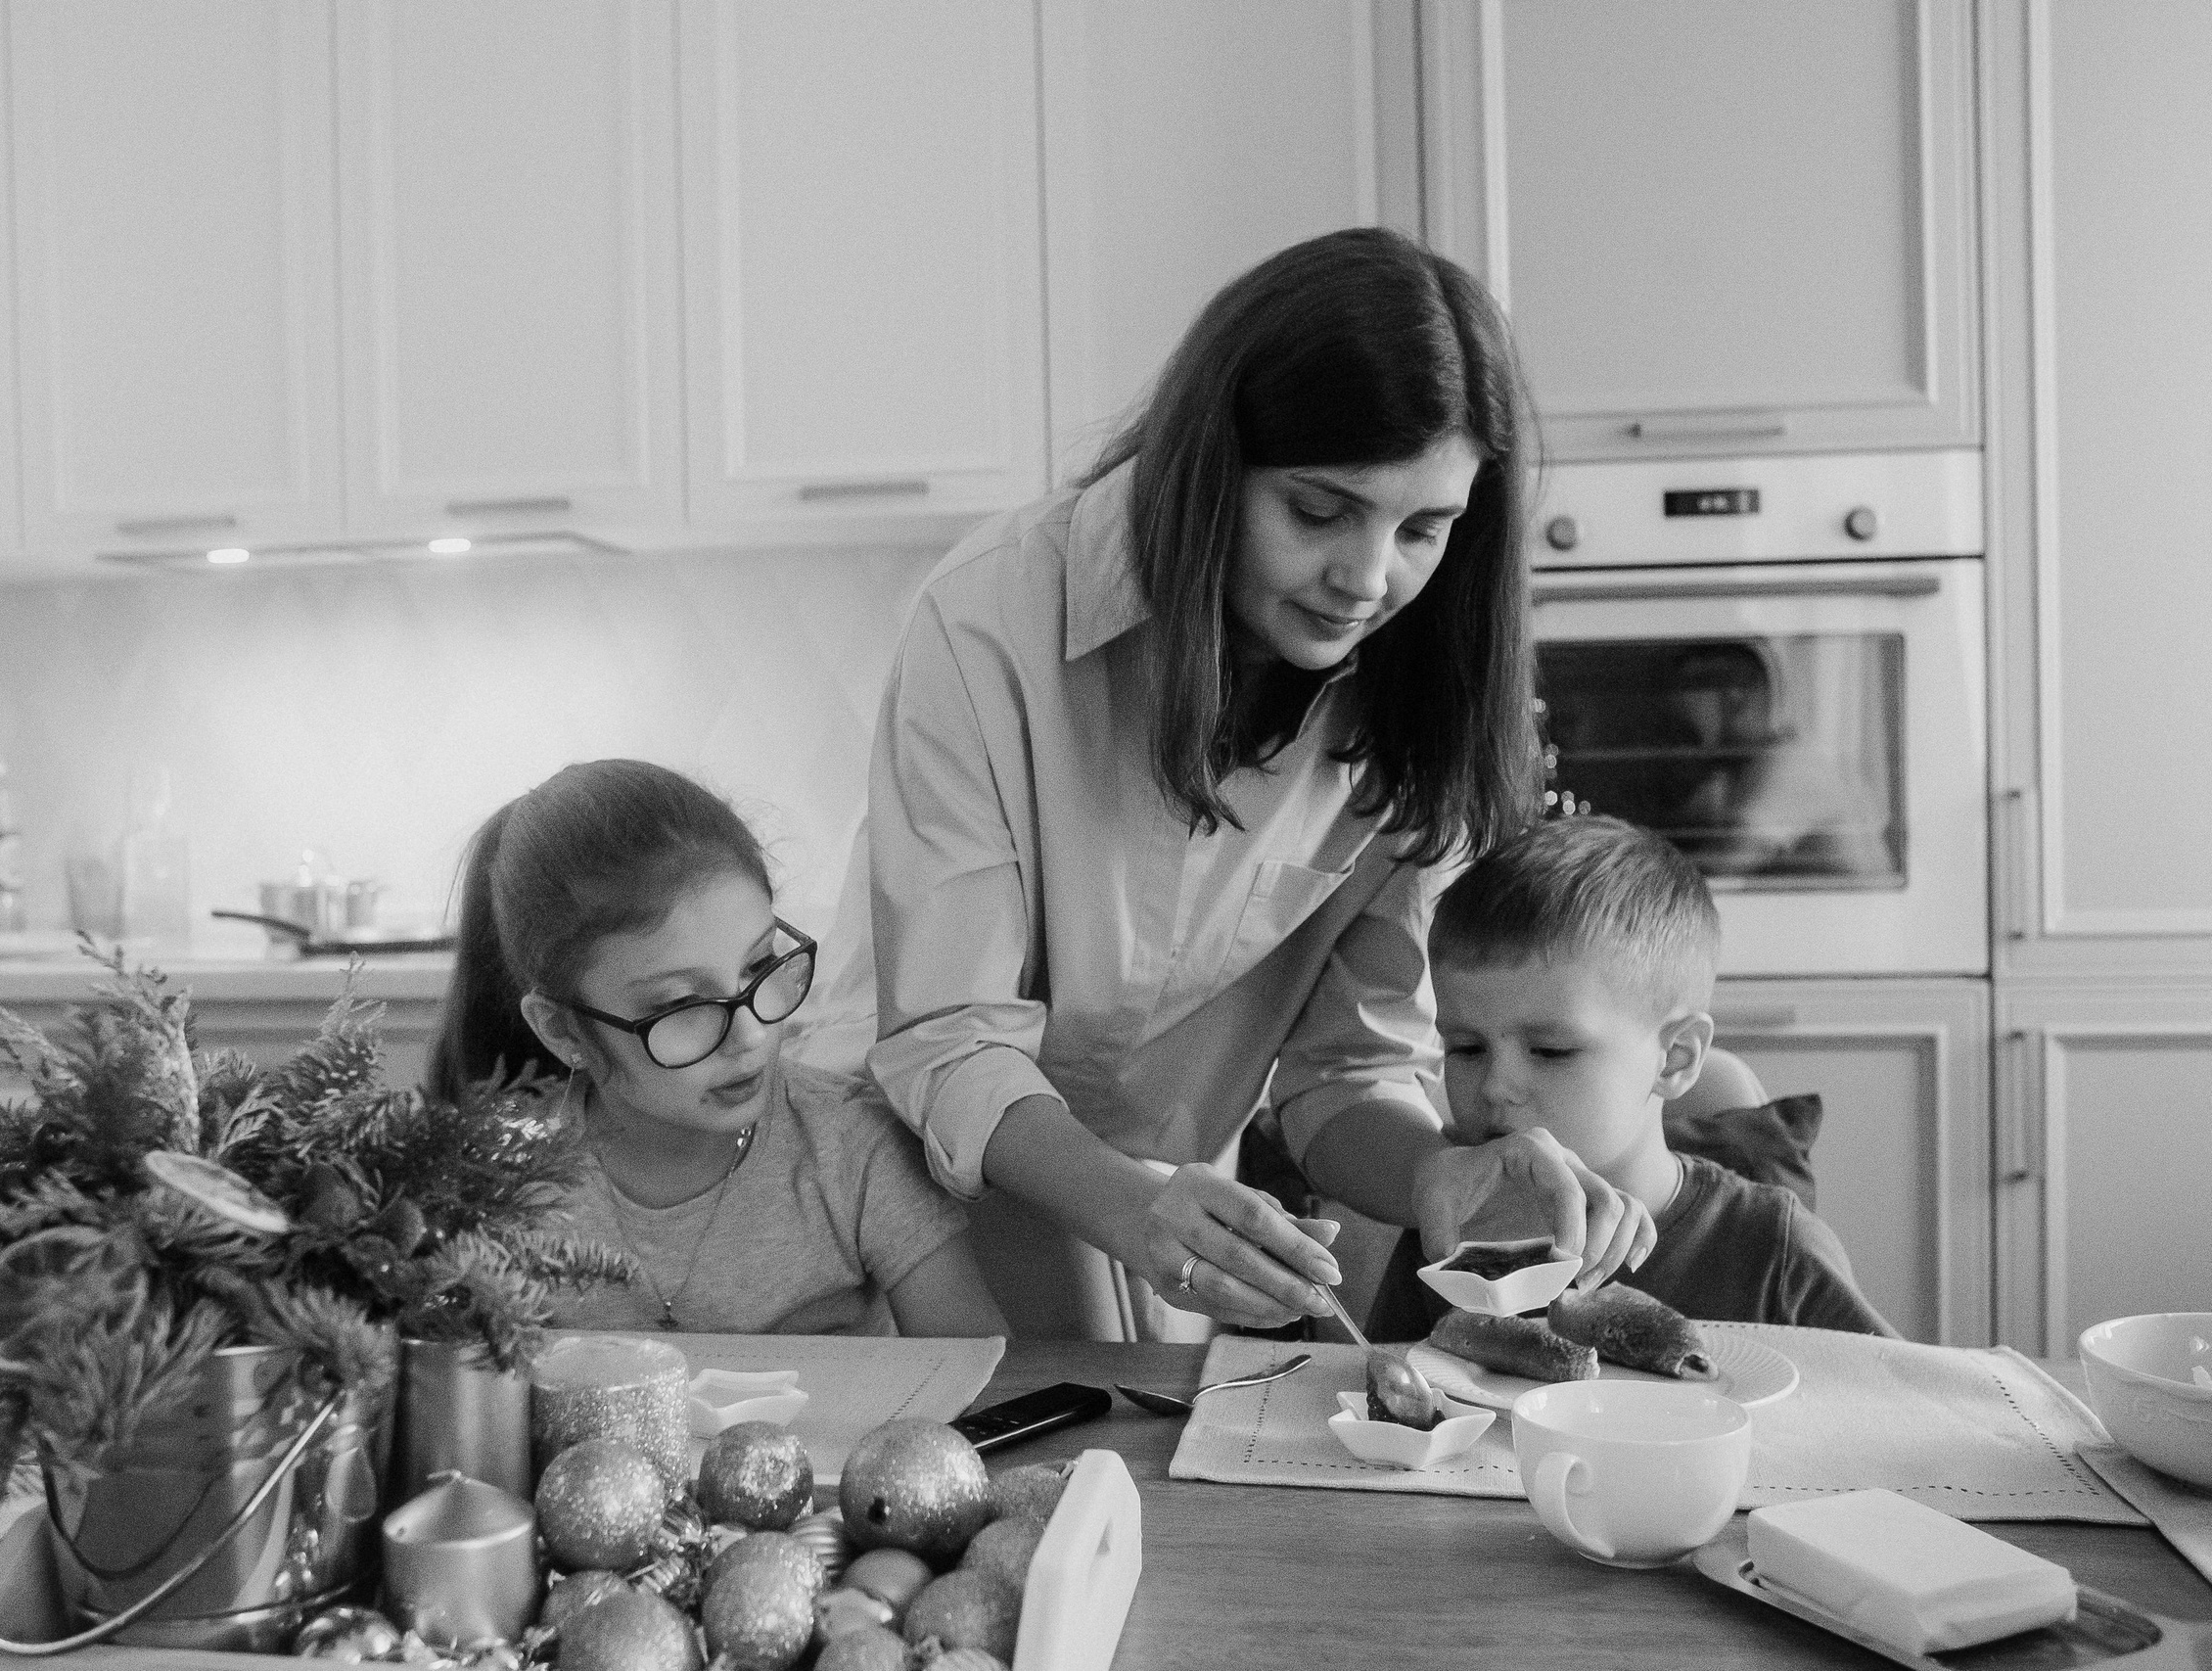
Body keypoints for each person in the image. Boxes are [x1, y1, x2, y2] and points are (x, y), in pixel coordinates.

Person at [800, 226, 1662, 1338]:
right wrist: (1136, 1209)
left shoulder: (1419, 696)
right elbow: (948, 1038)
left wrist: (1433, 1179)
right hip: (899, 1184)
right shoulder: (990, 617)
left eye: (1423, 529)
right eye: (1318, 511)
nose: (1367, 576)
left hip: (1165, 1218)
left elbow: (1347, 1066)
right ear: (1212, 468)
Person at [431, 760, 1007, 1338]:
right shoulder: (501, 1185)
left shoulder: (855, 1150)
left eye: (758, 965)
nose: (751, 1035)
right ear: (562, 1030)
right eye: (681, 1006)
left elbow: (979, 1377)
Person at [1364, 815, 1896, 1340]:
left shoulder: (1774, 1252)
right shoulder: (1452, 1228)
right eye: (1465, 1047)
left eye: (1551, 1051)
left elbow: (1902, 1411)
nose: (1495, 1086)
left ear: (1676, 1059)